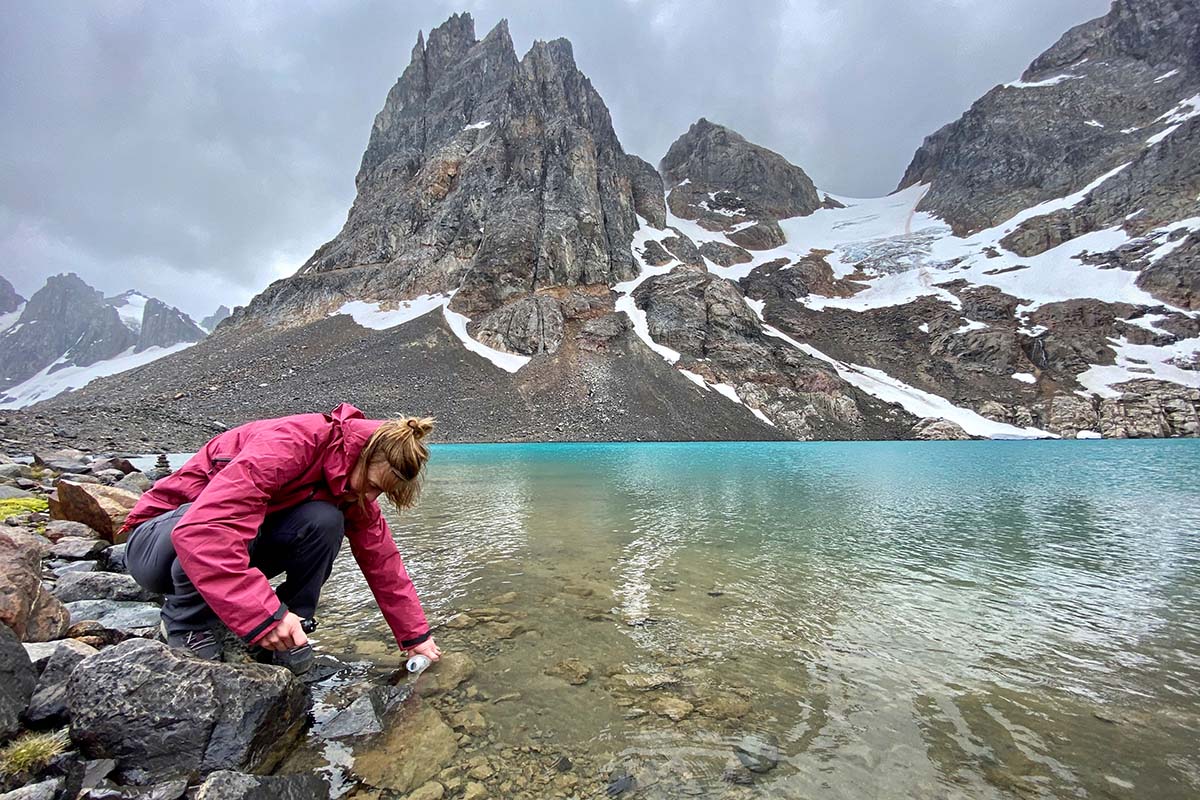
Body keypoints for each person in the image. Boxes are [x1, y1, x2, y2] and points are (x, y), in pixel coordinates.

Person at [122, 402, 442, 674]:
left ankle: (294, 625)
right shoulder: (290, 443)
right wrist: (264, 618)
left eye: (380, 492)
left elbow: (382, 561)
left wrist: (415, 637)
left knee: (326, 520)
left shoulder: (349, 487)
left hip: (207, 543)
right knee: (240, 517)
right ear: (362, 454)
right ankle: (185, 624)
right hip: (154, 547)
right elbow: (204, 531)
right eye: (372, 484)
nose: (371, 496)